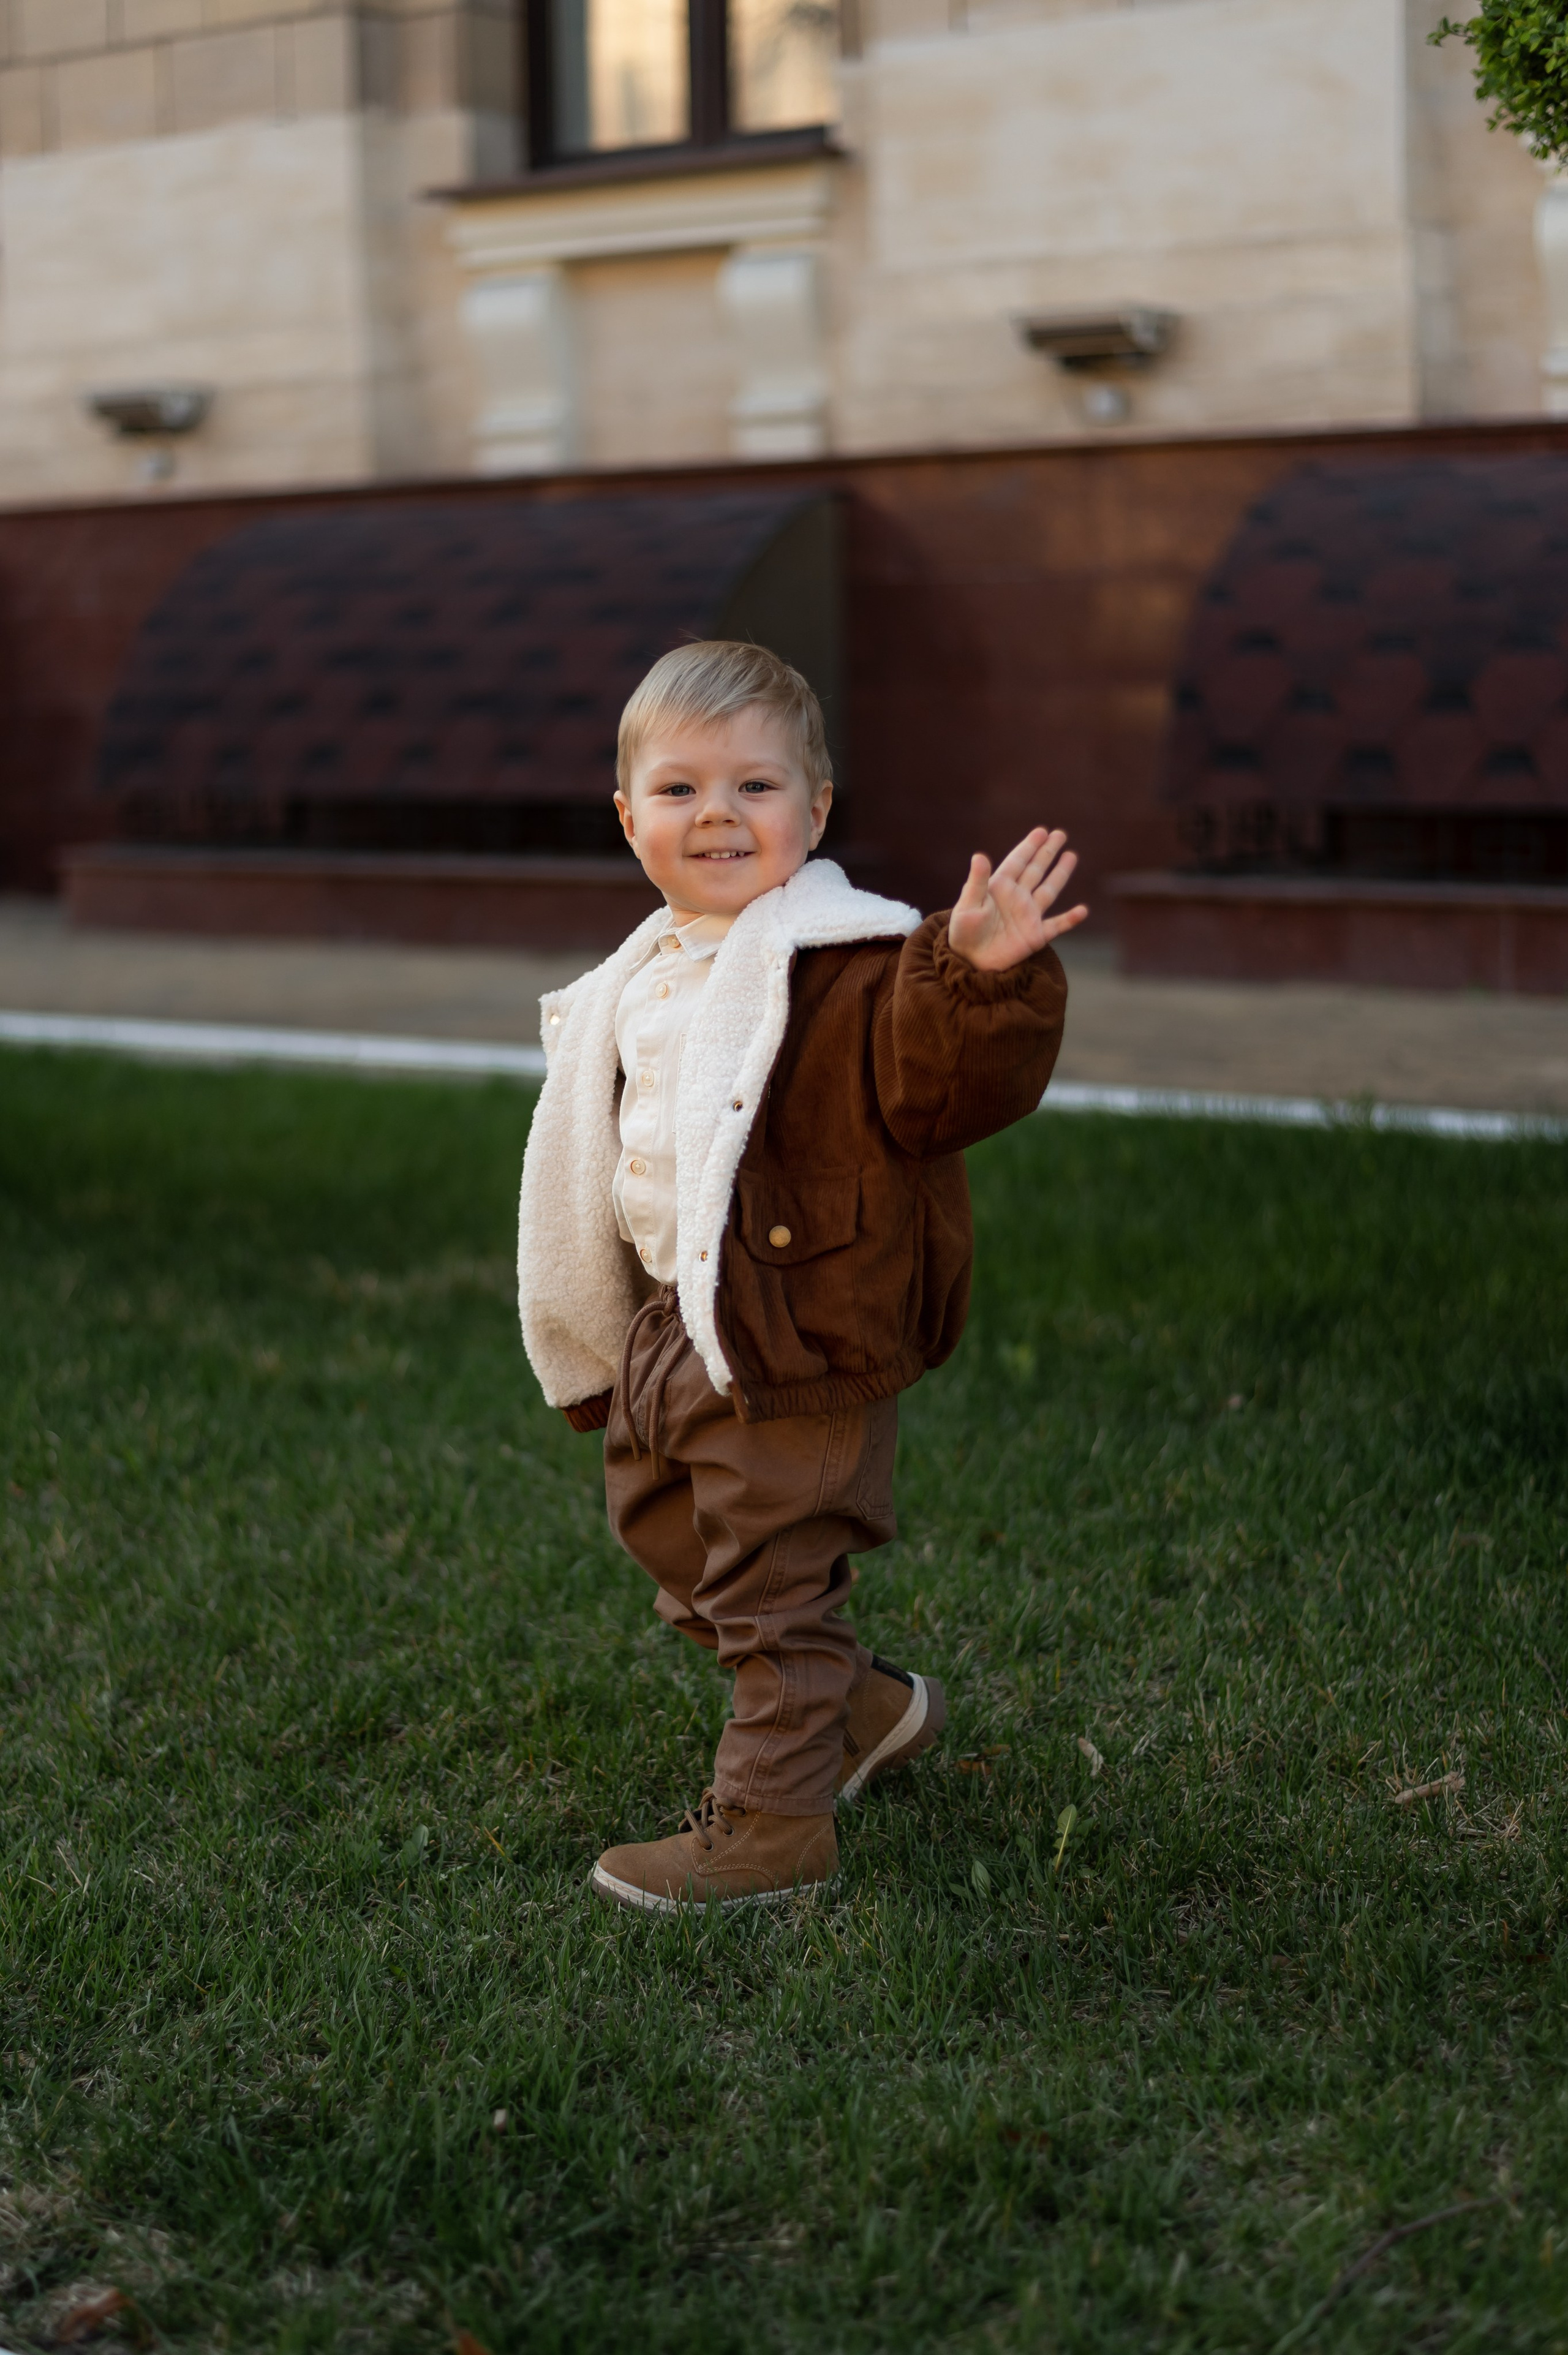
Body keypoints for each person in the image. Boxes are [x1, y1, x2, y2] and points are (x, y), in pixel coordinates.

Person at [517, 640, 1085, 1913]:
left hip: (802, 1328)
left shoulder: (857, 961)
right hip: (678, 1325)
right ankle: (866, 1711)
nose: (715, 813)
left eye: (753, 788)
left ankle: (773, 1831)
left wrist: (976, 979)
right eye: (678, 791)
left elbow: (933, 1082)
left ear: (815, 810)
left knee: (769, 1585)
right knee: (673, 1545)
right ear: (627, 818)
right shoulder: (638, 973)